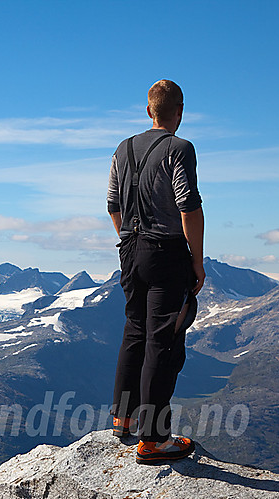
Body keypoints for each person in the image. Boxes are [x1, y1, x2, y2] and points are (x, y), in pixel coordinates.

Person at [106, 79, 205, 465]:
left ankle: (123, 418)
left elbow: (113, 204)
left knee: (134, 330)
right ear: (179, 112)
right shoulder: (180, 149)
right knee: (162, 341)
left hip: (129, 249)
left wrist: (129, 242)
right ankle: (154, 439)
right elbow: (189, 207)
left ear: (149, 110)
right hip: (165, 251)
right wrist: (196, 259)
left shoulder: (123, 148)